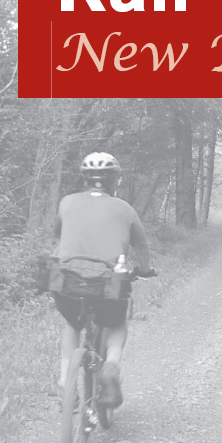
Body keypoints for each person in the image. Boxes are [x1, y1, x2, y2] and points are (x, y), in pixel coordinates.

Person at [53, 152, 153, 408]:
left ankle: (65, 380)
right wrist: (144, 269)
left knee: (72, 325)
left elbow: (58, 235)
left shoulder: (66, 203)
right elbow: (141, 247)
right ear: (115, 180)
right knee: (117, 324)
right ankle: (110, 366)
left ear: (84, 178)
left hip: (68, 283)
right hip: (108, 285)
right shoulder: (125, 209)